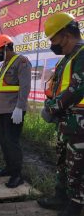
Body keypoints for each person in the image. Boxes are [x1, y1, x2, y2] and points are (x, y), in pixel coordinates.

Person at [37, 12, 84, 216]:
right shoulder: (67, 58)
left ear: (65, 34)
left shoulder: (83, 54)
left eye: (54, 39)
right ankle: (60, 197)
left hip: (80, 124)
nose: (53, 45)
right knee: (63, 162)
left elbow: (77, 88)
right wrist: (51, 101)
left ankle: (76, 205)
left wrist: (51, 108)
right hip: (66, 122)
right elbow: (58, 86)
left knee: (78, 167)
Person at [0, 34, 31, 188]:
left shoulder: (21, 62)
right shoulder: (2, 67)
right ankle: (9, 168)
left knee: (12, 142)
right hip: (2, 110)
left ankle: (17, 175)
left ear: (7, 47)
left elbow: (25, 86)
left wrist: (20, 107)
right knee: (3, 140)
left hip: (14, 110)